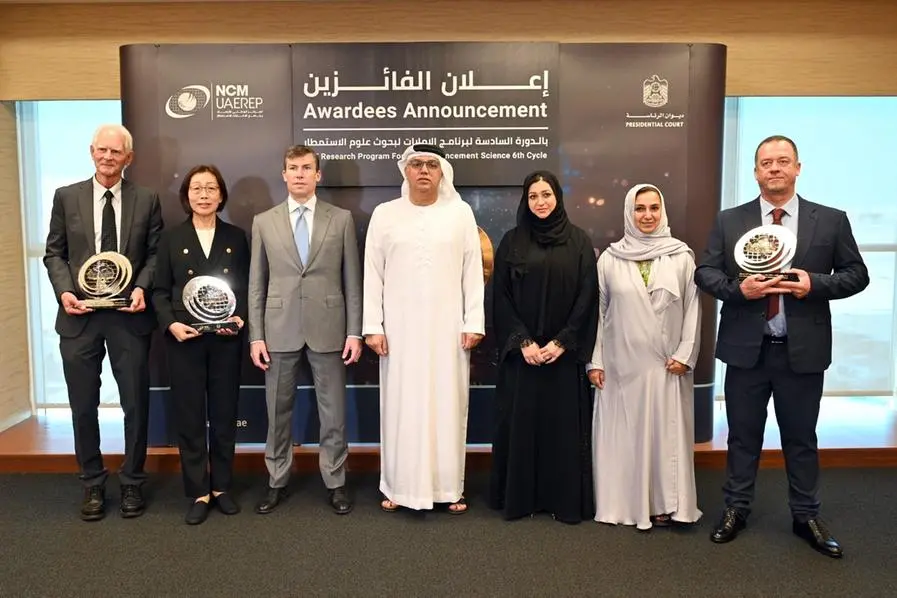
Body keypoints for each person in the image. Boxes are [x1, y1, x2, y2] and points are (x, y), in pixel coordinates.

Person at [695, 135, 869, 558]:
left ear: (797, 168)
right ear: (756, 171)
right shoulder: (730, 220)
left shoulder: (830, 220)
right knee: (742, 437)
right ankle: (736, 509)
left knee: (801, 438)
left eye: (783, 161)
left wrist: (815, 284)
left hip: (802, 351)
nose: (774, 168)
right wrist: (739, 290)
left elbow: (857, 274)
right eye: (766, 162)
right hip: (746, 350)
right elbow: (705, 272)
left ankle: (806, 515)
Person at [43, 123, 163, 521]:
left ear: (129, 158)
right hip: (79, 317)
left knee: (136, 404)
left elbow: (155, 254)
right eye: (102, 150)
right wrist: (65, 292)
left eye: (116, 152)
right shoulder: (66, 197)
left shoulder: (147, 199)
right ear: (91, 152)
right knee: (82, 405)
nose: (108, 157)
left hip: (129, 317)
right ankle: (92, 482)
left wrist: (142, 287)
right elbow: (54, 253)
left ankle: (132, 481)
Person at [363, 144, 485, 514]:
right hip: (399, 332)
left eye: (432, 164)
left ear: (442, 171)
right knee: (401, 406)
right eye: (416, 164)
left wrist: (473, 321)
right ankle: (398, 487)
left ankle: (449, 489)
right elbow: (373, 273)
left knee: (447, 405)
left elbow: (472, 272)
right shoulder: (385, 214)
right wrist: (373, 326)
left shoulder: (460, 214)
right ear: (406, 170)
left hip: (448, 331)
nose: (424, 171)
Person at [248, 145, 362, 515]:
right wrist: (256, 336)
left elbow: (352, 280)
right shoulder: (264, 221)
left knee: (334, 413)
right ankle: (276, 480)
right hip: (278, 329)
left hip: (329, 328)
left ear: (318, 175)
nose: (299, 174)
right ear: (283, 174)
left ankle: (336, 482)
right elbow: (256, 284)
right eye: (293, 168)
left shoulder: (341, 219)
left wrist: (355, 331)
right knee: (277, 412)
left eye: (306, 168)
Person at [588, 183, 702, 531]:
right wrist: (596, 361)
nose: (647, 215)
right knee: (625, 437)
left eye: (654, 208)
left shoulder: (681, 257)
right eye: (640, 208)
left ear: (662, 211)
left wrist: (685, 354)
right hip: (621, 366)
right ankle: (626, 504)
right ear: (629, 212)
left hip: (666, 365)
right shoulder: (610, 259)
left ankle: (665, 504)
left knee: (664, 437)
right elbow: (598, 313)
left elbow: (693, 309)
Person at [488, 170, 598, 524]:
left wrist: (563, 341)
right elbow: (500, 297)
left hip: (562, 359)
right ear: (526, 200)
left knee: (562, 432)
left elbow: (587, 297)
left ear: (558, 197)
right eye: (533, 196)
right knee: (521, 427)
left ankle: (562, 502)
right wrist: (523, 342)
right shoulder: (511, 242)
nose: (540, 202)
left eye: (546, 194)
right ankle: (521, 500)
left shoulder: (579, 242)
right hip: (524, 358)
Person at [153, 165, 250, 525]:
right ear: (187, 195)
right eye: (197, 188)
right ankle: (198, 491)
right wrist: (171, 324)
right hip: (185, 339)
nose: (204, 195)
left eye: (211, 188)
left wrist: (239, 318)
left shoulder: (236, 237)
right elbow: (159, 291)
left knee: (224, 415)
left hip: (225, 339)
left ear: (221, 195)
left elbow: (247, 286)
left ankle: (222, 487)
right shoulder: (170, 238)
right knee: (190, 416)